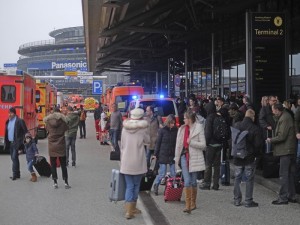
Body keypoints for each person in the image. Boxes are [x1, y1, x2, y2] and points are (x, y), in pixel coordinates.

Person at [120, 108, 150, 219]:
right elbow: (148, 141)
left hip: (126, 161)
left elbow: (122, 145)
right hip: (138, 161)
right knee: (136, 185)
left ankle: (128, 211)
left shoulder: (124, 129)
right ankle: (133, 207)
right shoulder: (142, 130)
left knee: (129, 185)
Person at [174, 109, 206, 213]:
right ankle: (187, 205)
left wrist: (191, 142)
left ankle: (193, 203)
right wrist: (176, 157)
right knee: (187, 181)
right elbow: (178, 145)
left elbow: (203, 145)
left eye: (185, 118)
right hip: (184, 156)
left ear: (190, 119)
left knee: (193, 181)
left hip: (194, 157)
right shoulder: (182, 129)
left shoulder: (199, 128)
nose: (183, 119)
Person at [267, 103, 297, 204]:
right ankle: (291, 195)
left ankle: (283, 197)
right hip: (290, 149)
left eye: (273, 110)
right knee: (290, 174)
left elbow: (282, 136)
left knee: (284, 174)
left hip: (286, 150)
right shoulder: (285, 116)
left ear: (276, 110)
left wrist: (271, 140)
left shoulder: (285, 118)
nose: (272, 112)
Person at [232, 109, 263, 207]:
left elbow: (232, 141)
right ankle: (248, 201)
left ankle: (237, 200)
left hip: (237, 156)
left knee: (237, 178)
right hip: (249, 157)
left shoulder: (236, 125)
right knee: (249, 178)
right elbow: (258, 145)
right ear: (253, 117)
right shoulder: (255, 128)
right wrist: (256, 155)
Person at [44, 107, 70, 189]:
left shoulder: (48, 121)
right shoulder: (62, 121)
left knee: (53, 164)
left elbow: (47, 129)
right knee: (63, 164)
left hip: (52, 145)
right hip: (61, 144)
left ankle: (55, 182)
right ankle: (66, 182)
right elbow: (66, 128)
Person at [152, 114, 178, 195]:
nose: (172, 125)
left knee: (173, 173)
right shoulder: (162, 130)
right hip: (163, 154)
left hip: (171, 154)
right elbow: (158, 143)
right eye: (171, 123)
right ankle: (156, 184)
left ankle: (172, 188)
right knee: (162, 173)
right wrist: (155, 154)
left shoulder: (175, 130)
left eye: (173, 123)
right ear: (168, 122)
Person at [200, 101, 222, 191]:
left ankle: (207, 183)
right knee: (217, 165)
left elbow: (208, 133)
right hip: (219, 144)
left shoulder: (209, 118)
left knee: (208, 164)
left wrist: (206, 143)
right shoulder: (219, 116)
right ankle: (216, 185)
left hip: (211, 144)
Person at [4, 107, 28, 180]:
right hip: (10, 142)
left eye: (11, 113)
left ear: (14, 113)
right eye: (9, 113)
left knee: (14, 157)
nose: (9, 114)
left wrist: (25, 140)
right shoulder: (8, 121)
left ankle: (15, 174)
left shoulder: (19, 121)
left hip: (16, 143)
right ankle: (17, 174)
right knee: (13, 158)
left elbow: (25, 131)